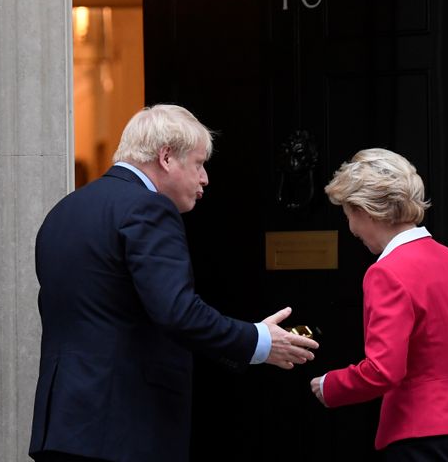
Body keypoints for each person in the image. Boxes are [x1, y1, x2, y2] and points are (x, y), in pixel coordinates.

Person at [29, 104, 319, 462]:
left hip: (61, 426)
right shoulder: (149, 208)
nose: (205, 179)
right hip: (125, 426)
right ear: (166, 157)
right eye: (198, 163)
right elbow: (177, 312)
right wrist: (257, 340)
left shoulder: (63, 211)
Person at [309, 148, 448, 461]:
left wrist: (332, 385)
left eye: (348, 214)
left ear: (365, 210)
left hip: (420, 436)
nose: (351, 228)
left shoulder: (387, 271)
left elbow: (383, 370)